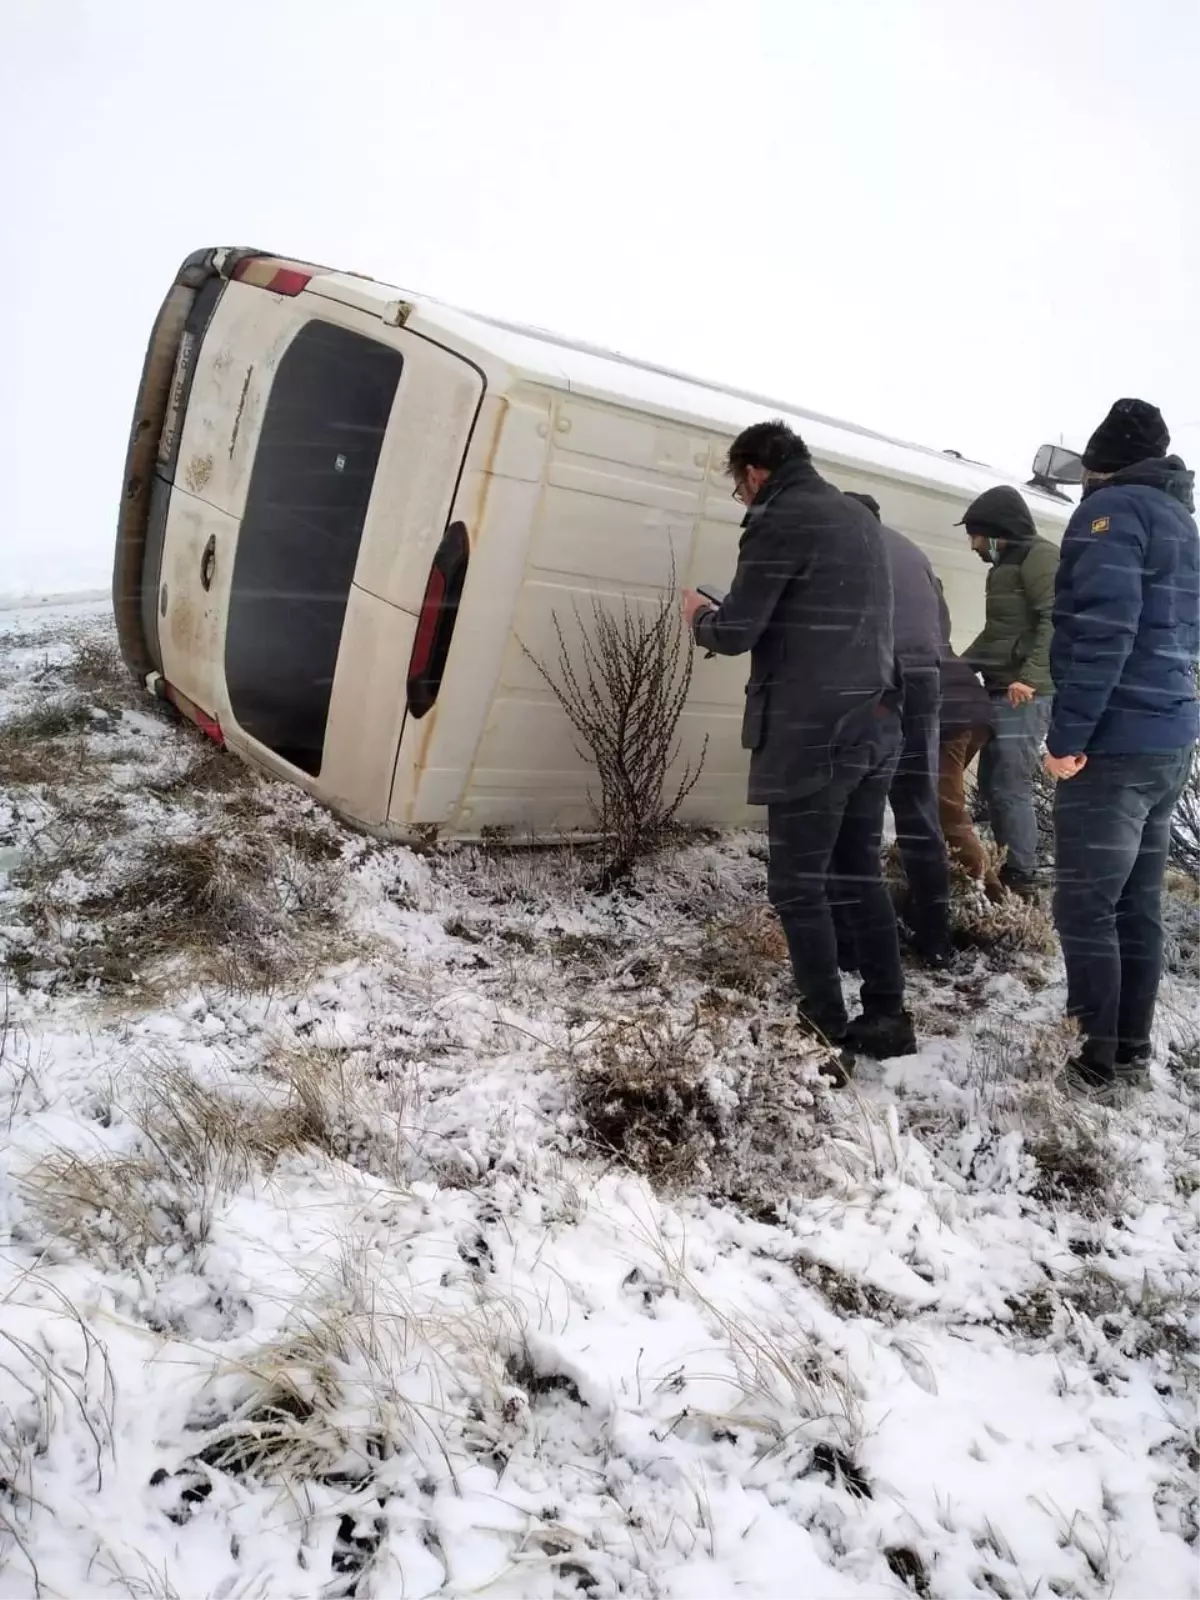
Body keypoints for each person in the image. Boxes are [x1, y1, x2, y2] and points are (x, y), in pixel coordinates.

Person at [681, 421, 915, 1061]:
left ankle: (823, 1031)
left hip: (816, 734)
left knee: (798, 884)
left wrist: (701, 616)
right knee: (855, 873)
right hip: (877, 720)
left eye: (739, 487)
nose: (743, 499)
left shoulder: (780, 519)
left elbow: (736, 633)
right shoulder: (857, 518)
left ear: (754, 473)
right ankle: (888, 1016)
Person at [1044, 399, 1200, 1100]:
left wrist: (1068, 738)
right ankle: (1129, 1051)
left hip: (1113, 745)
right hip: (1168, 739)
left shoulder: (1110, 514)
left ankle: (1094, 1063)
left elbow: (1105, 632)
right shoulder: (1182, 521)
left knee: (1086, 905)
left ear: (1100, 464)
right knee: (1136, 905)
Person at [844, 492, 953, 964]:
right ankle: (936, 938)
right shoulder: (913, 551)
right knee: (917, 809)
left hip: (878, 682)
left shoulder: (844, 544)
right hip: (925, 681)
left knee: (857, 809)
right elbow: (942, 626)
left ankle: (854, 943)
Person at [957, 485, 1059, 898]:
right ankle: (1003, 866)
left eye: (977, 536)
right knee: (993, 782)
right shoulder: (1003, 568)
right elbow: (999, 634)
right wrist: (956, 668)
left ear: (999, 532)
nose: (974, 545)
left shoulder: (1040, 557)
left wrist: (1031, 678)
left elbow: (1057, 619)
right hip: (1002, 687)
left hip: (1026, 693)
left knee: (1007, 783)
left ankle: (1021, 876)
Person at [934, 585, 1000, 896]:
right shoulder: (929, 626)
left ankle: (990, 893)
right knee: (941, 803)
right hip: (975, 709)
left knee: (946, 808)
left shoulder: (899, 631)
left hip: (952, 718)